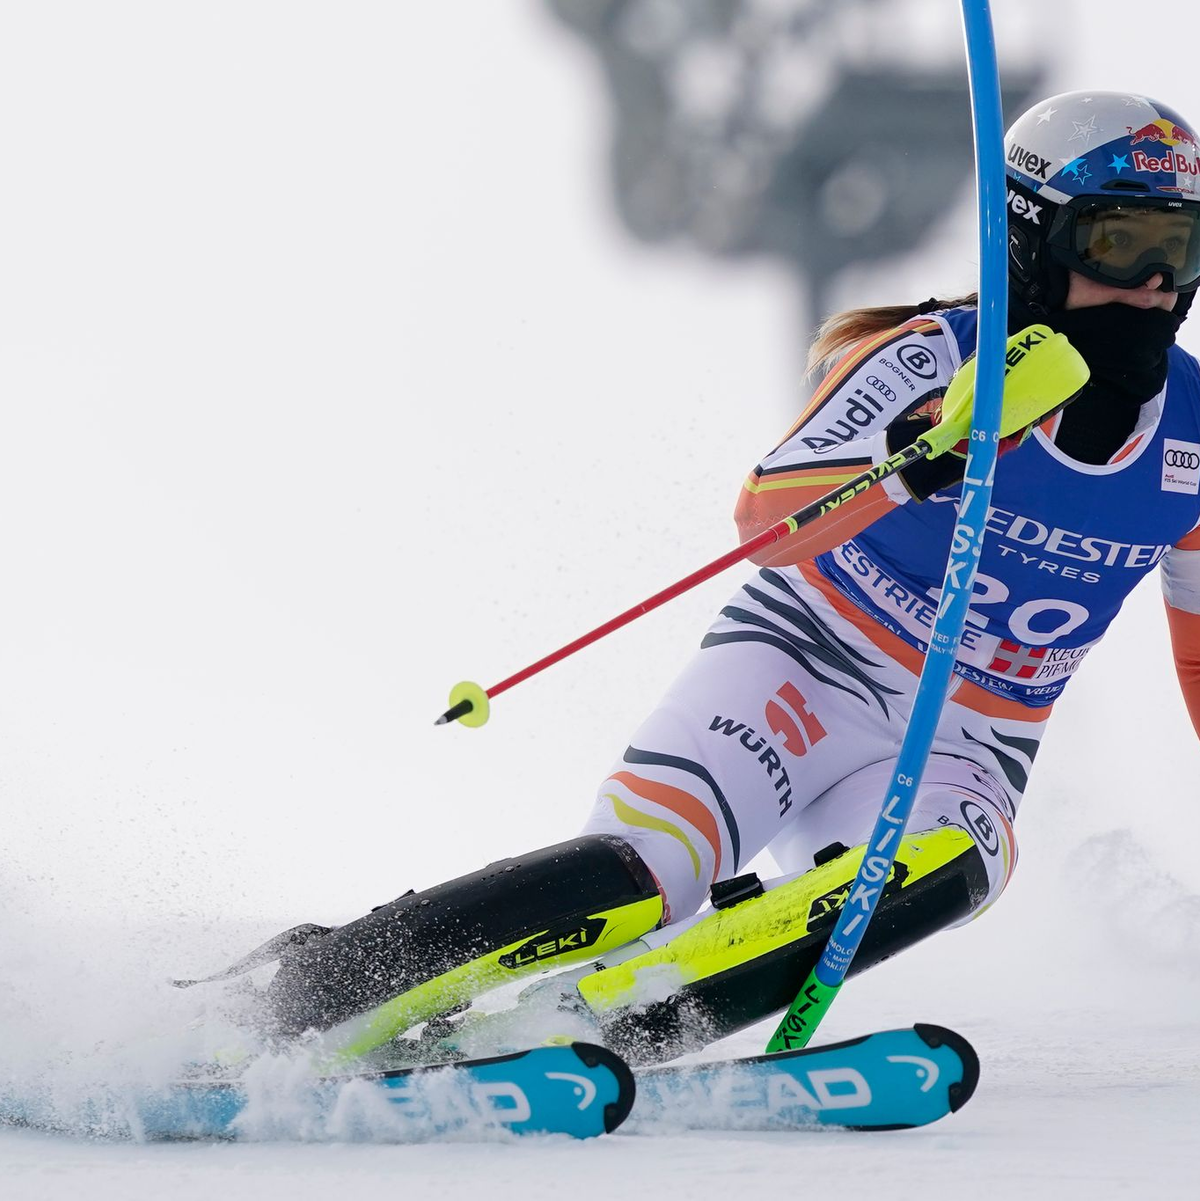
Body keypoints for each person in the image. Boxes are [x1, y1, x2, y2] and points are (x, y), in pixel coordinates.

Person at [253, 91, 1200, 1066]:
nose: (1157, 284)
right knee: (648, 876)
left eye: (1184, 249)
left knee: (948, 864)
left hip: (969, 736)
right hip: (801, 666)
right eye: (1119, 243)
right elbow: (767, 518)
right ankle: (310, 993)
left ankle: (565, 1033)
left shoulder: (1194, 437)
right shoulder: (934, 359)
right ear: (1036, 241)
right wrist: (913, 458)